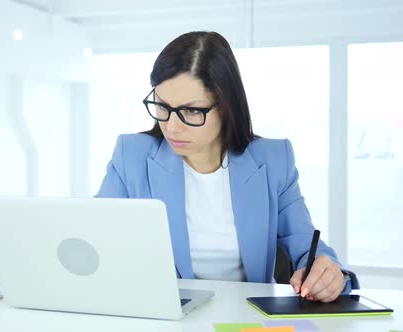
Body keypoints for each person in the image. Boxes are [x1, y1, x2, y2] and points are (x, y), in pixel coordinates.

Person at [96, 31, 358, 303]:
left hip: (244, 318)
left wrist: (326, 270)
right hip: (162, 316)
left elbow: (305, 243)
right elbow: (95, 238)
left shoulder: (273, 160)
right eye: (162, 106)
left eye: (192, 111)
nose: (171, 126)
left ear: (226, 105)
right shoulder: (131, 157)